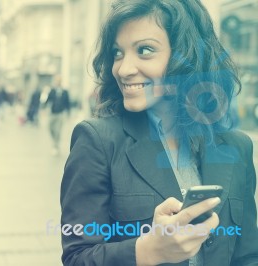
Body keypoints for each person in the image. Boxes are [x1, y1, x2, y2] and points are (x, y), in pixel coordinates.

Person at [60, 1, 258, 266]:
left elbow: (247, 255)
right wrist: (148, 250)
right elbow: (77, 257)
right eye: (117, 53)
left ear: (186, 57)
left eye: (145, 50)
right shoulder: (96, 141)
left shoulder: (237, 147)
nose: (123, 69)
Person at [45, 75, 71, 155]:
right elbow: (48, 100)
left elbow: (68, 103)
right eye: (56, 80)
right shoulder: (52, 90)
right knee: (50, 128)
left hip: (61, 114)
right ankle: (54, 142)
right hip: (52, 113)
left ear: (61, 81)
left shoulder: (65, 92)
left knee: (58, 130)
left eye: (59, 80)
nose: (58, 82)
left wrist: (68, 113)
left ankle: (55, 146)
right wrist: (44, 108)